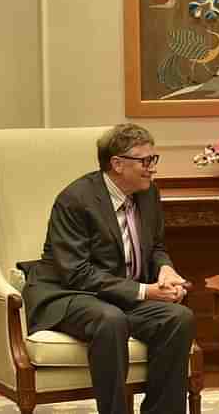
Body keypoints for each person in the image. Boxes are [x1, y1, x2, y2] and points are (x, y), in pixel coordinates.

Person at [22, 123, 194, 414]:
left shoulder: (148, 194)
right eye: (145, 161)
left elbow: (156, 248)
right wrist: (144, 291)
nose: (152, 168)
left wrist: (165, 270)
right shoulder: (76, 200)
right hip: (67, 293)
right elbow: (76, 272)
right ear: (117, 164)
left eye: (154, 159)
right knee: (110, 320)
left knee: (178, 318)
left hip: (118, 294)